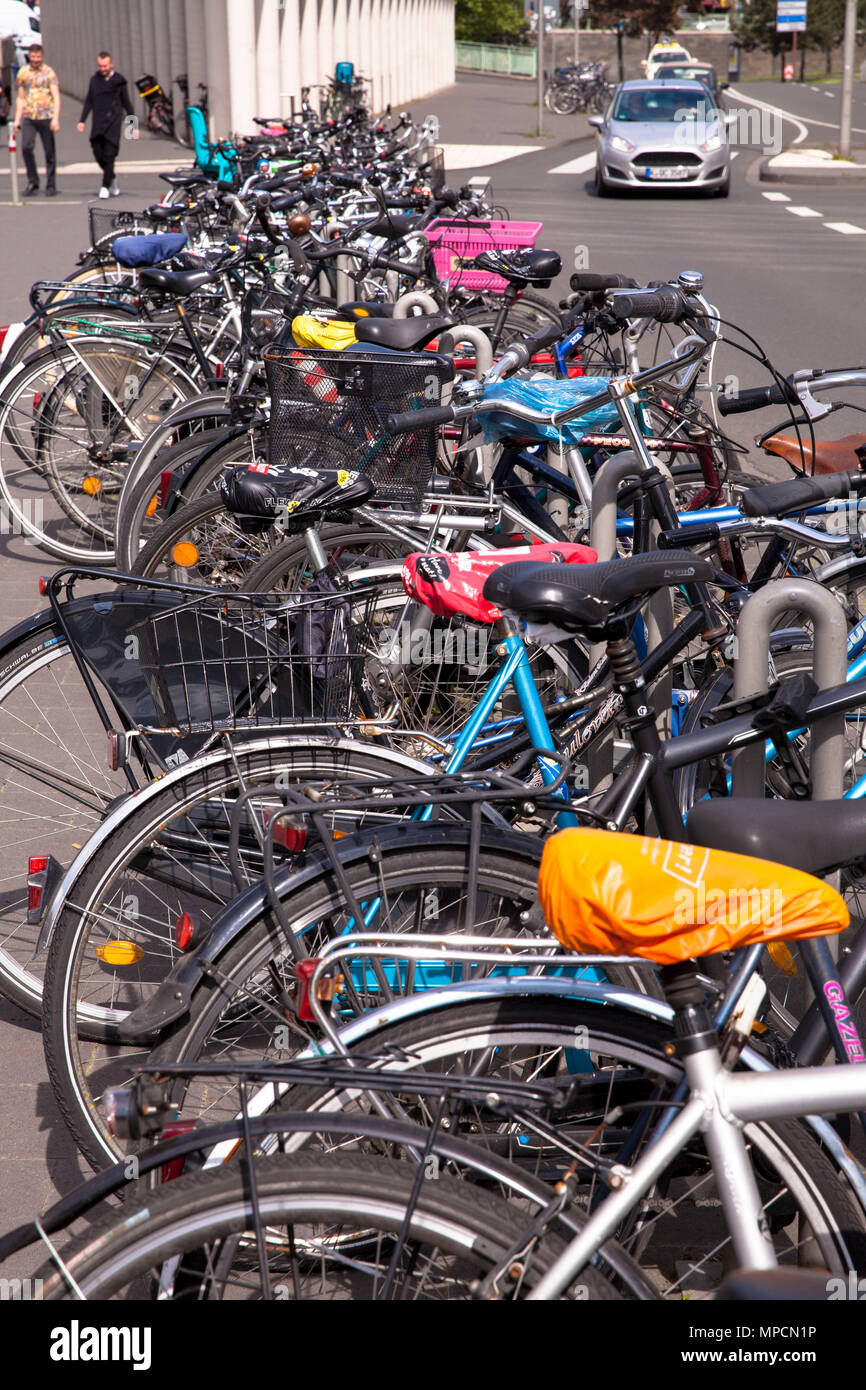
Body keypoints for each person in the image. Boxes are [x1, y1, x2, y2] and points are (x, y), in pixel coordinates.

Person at [77, 50, 138, 199]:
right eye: (100, 66)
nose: (102, 69)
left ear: (111, 64)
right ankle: (111, 176)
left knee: (110, 155)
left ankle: (105, 186)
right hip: (98, 123)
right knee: (98, 154)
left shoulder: (119, 81)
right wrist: (82, 121)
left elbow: (127, 103)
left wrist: (133, 127)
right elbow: (89, 101)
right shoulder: (94, 80)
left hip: (113, 124)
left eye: (105, 66)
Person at [13, 42, 59, 196]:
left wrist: (55, 118)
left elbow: (56, 96)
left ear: (42, 56)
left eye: (38, 57)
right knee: (26, 147)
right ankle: (33, 181)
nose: (36, 60)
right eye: (33, 57)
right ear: (29, 56)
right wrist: (17, 119)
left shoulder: (49, 72)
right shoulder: (23, 73)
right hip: (29, 115)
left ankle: (51, 184)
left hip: (46, 116)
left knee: (49, 151)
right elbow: (20, 97)